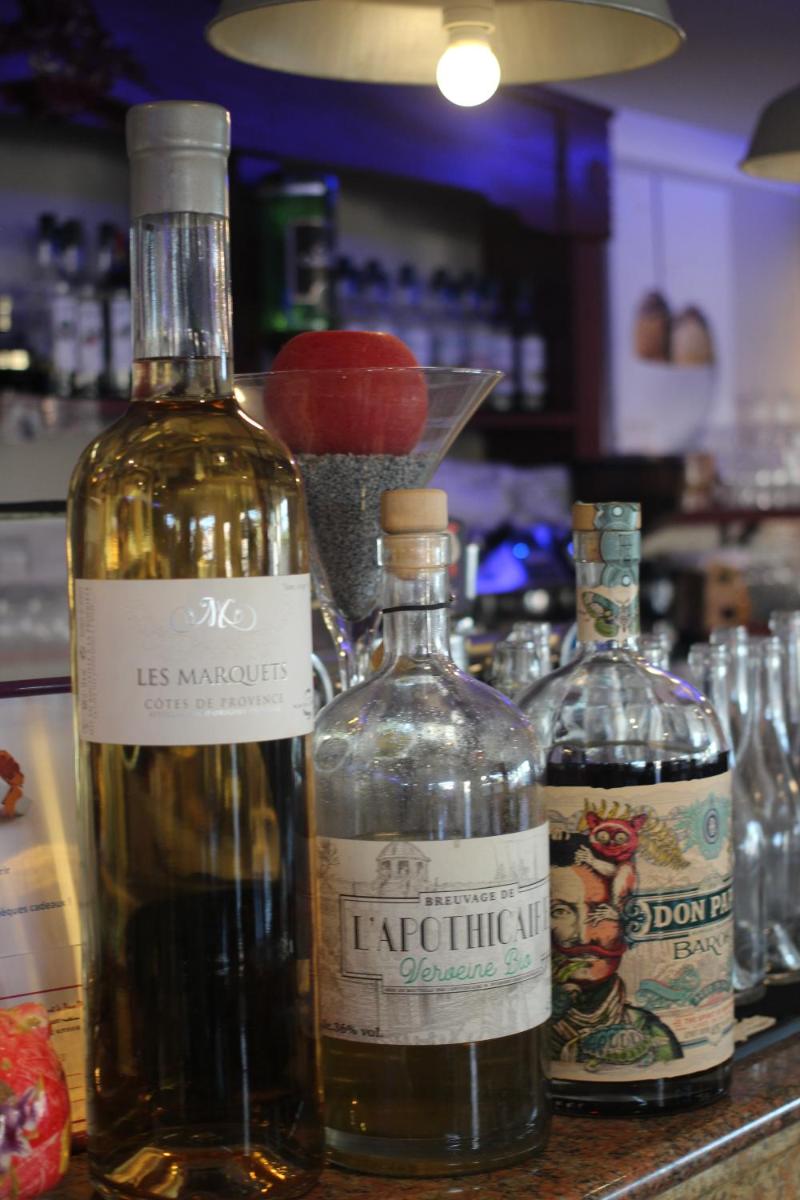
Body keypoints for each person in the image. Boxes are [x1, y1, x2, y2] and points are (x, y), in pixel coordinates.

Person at [550, 832, 682, 1069]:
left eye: (601, 911)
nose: (584, 936)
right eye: (560, 912)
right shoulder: (521, 1036)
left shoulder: (653, 1033)